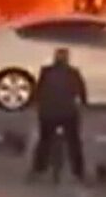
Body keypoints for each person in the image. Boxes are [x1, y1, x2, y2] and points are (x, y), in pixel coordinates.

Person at [28, 48, 88, 184]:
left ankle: (38, 169)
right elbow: (82, 93)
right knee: (74, 142)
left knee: (44, 140)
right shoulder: (74, 73)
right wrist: (83, 103)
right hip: (68, 114)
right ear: (67, 59)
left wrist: (38, 105)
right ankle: (79, 172)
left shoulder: (46, 72)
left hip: (47, 113)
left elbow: (37, 92)